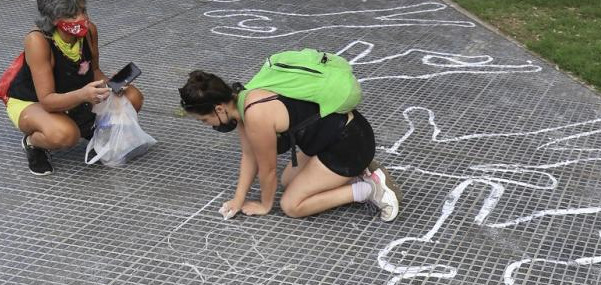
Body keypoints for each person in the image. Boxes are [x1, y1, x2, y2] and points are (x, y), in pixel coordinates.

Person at [178, 70, 400, 220]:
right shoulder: (243, 97)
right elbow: (249, 155)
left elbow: (268, 169)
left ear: (219, 109)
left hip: (347, 145)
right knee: (288, 180)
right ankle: (358, 173)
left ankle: (369, 189)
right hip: (338, 136)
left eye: (204, 120)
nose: (207, 125)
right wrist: (238, 199)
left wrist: (265, 205)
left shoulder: (256, 115)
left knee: (292, 205)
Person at [4, 0, 143, 175]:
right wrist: (83, 96)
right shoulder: (38, 41)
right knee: (65, 134)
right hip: (33, 100)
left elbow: (94, 71)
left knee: (131, 97)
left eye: (83, 11)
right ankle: (33, 142)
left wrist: (111, 83)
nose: (83, 18)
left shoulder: (89, 30)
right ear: (54, 19)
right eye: (72, 15)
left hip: (75, 92)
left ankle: (95, 133)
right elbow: (47, 100)